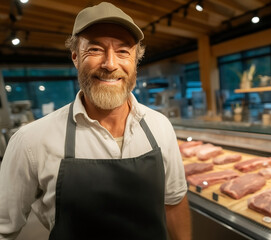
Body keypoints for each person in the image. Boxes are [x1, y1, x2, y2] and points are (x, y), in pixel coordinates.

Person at [0, 2, 191, 240]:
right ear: (75, 58)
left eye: (123, 51)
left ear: (135, 62)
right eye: (95, 49)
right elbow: (4, 228)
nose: (110, 64)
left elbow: (174, 201)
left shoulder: (160, 126)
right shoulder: (30, 141)